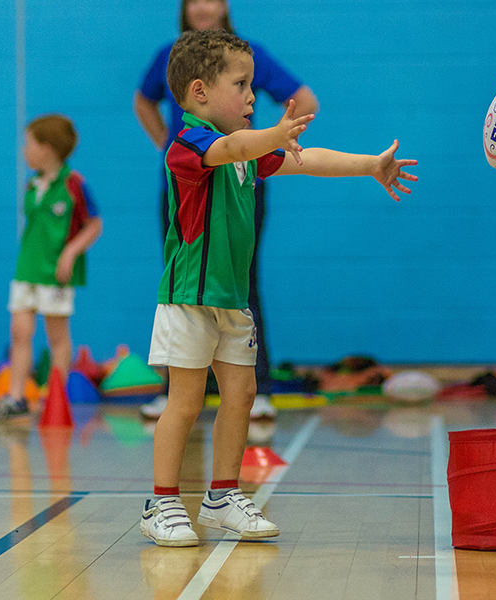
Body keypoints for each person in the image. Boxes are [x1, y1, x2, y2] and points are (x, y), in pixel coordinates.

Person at [139, 29, 417, 546]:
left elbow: (305, 160)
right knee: (184, 402)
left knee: (242, 395)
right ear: (199, 93)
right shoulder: (190, 145)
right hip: (189, 302)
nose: (251, 96)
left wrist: (368, 166)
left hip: (232, 302)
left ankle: (223, 495)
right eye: (241, 85)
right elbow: (236, 144)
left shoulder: (247, 152)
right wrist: (273, 133)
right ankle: (163, 502)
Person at [134, 0, 319, 421]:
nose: (202, 5)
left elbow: (302, 107)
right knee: (185, 279)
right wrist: (167, 141)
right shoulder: (170, 57)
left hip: (240, 178)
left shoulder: (245, 53)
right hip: (190, 183)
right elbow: (143, 101)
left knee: (242, 280)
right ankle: (178, 393)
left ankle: (260, 388)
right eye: (241, 87)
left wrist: (367, 165)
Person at [0, 115, 103, 420]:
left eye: (29, 144)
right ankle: (16, 396)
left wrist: (71, 252)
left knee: (57, 338)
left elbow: (94, 225)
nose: (24, 151)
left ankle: (55, 397)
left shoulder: (74, 184)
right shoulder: (32, 183)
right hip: (27, 271)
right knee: (19, 333)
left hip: (56, 276)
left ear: (47, 149)